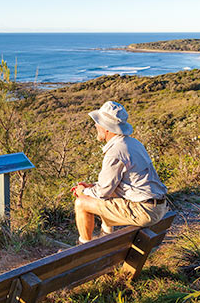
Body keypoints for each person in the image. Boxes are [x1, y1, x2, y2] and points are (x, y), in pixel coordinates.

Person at [69, 101, 168, 244]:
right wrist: (91, 187)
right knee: (105, 196)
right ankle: (105, 238)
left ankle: (82, 250)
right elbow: (116, 184)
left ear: (107, 128)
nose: (96, 126)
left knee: (81, 203)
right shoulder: (132, 143)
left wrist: (83, 191)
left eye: (98, 123)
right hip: (157, 206)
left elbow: (103, 192)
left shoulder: (116, 151)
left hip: (144, 211)